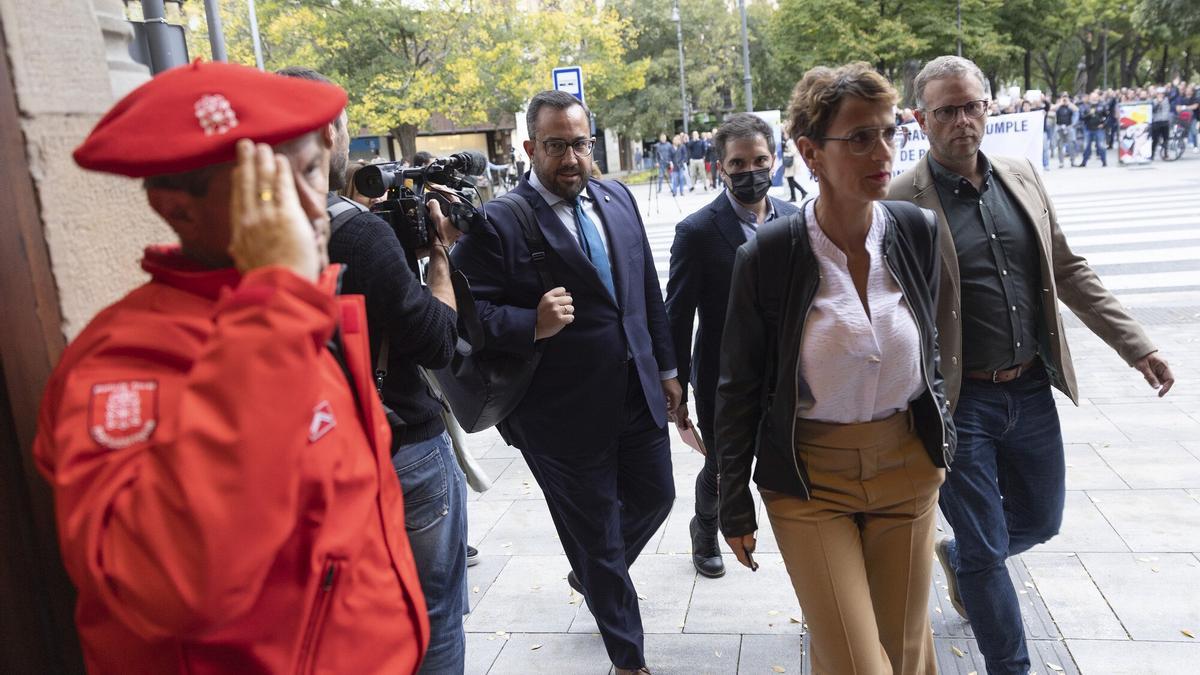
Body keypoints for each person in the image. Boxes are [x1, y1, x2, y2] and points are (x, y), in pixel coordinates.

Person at [34, 60, 428, 673]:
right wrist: (274, 301)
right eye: (268, 194)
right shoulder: (124, 362)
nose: (310, 211)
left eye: (311, 173)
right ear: (178, 210)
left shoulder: (289, 312)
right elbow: (167, 581)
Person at [889, 55, 1176, 675]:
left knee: (1043, 521)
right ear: (920, 118)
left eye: (972, 105)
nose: (963, 120)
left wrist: (1138, 346)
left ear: (988, 107)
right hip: (961, 403)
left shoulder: (1021, 176)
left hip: (1032, 392)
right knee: (990, 555)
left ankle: (958, 552)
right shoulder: (900, 201)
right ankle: (1010, 665)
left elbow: (1067, 269)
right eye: (946, 110)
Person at [718, 62, 953, 675]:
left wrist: (942, 443)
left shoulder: (915, 230)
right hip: (808, 480)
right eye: (858, 137)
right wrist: (731, 500)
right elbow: (738, 387)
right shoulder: (768, 255)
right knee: (858, 663)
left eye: (887, 132)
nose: (881, 152)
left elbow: (934, 347)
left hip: (906, 467)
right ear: (809, 152)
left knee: (904, 656)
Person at [452, 90, 680, 675]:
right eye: (556, 146)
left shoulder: (616, 197)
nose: (571, 158)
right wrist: (533, 323)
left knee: (658, 496)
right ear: (530, 148)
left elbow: (645, 293)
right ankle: (629, 660)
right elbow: (464, 317)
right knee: (601, 538)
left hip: (636, 393)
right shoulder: (500, 221)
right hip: (558, 416)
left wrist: (668, 369)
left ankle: (592, 574)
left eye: (579, 143)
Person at [278, 65, 469, 675]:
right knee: (431, 610)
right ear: (333, 133)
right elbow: (438, 341)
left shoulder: (249, 232)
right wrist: (439, 259)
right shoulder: (359, 235)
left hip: (304, 455)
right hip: (399, 449)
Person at [665, 113, 801, 580]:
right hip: (722, 377)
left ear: (775, 160)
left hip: (787, 376)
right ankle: (705, 528)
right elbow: (677, 316)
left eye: (759, 160)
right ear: (720, 167)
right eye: (738, 163)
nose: (750, 172)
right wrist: (675, 385)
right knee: (724, 466)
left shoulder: (798, 219)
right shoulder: (697, 232)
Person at [1078, 91, 1109, 167]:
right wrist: (1089, 114)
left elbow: (1108, 117)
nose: (1094, 98)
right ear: (1090, 98)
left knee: (1101, 145)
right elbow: (1081, 117)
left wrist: (1103, 124)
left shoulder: (1102, 105)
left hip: (1099, 129)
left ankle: (1104, 161)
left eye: (1095, 97)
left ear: (1098, 97)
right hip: (1088, 129)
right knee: (1086, 146)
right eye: (1092, 97)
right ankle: (1084, 162)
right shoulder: (1085, 106)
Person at [1051, 93, 1077, 168]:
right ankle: (1061, 162)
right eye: (1063, 97)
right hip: (1059, 128)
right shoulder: (1058, 106)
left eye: (1066, 97)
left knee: (1071, 144)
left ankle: (1072, 161)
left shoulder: (1070, 106)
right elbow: (1052, 109)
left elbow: (1076, 109)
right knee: (1060, 145)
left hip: (1068, 127)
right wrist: (1060, 103)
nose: (1065, 98)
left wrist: (1068, 103)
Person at [782, 131, 807, 202]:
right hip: (791, 162)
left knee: (790, 179)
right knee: (790, 179)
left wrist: (785, 154)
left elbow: (793, 152)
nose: (784, 135)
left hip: (791, 163)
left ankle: (795, 196)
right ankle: (800, 193)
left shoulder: (789, 142)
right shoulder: (790, 141)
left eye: (785, 134)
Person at [1150, 87, 1172, 160]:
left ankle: (1166, 154)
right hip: (1156, 122)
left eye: (1162, 93)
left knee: (1166, 139)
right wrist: (1159, 103)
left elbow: (1173, 95)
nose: (1160, 95)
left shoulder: (1167, 100)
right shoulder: (1153, 101)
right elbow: (1153, 110)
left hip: (1165, 122)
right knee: (1155, 140)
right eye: (1159, 93)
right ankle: (1152, 155)